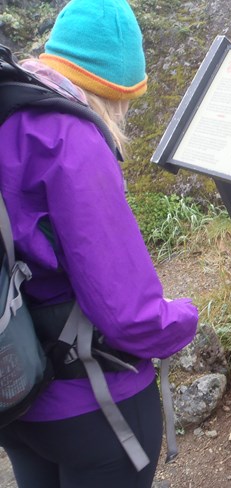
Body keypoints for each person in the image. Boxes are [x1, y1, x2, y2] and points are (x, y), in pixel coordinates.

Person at [0, 0, 198, 486]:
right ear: (115, 88)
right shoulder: (70, 139)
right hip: (92, 404)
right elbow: (128, 313)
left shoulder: (9, 106)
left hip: (15, 389)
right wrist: (182, 318)